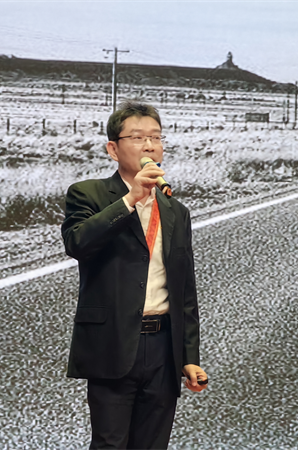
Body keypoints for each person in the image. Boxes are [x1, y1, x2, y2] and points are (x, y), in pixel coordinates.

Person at [62, 101, 207, 450]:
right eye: (138, 137)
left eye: (156, 138)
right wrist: (131, 200)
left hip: (164, 348)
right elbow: (78, 243)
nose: (149, 146)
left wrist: (189, 356)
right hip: (113, 342)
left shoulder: (175, 210)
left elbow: (184, 290)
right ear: (113, 149)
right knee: (110, 444)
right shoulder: (89, 194)